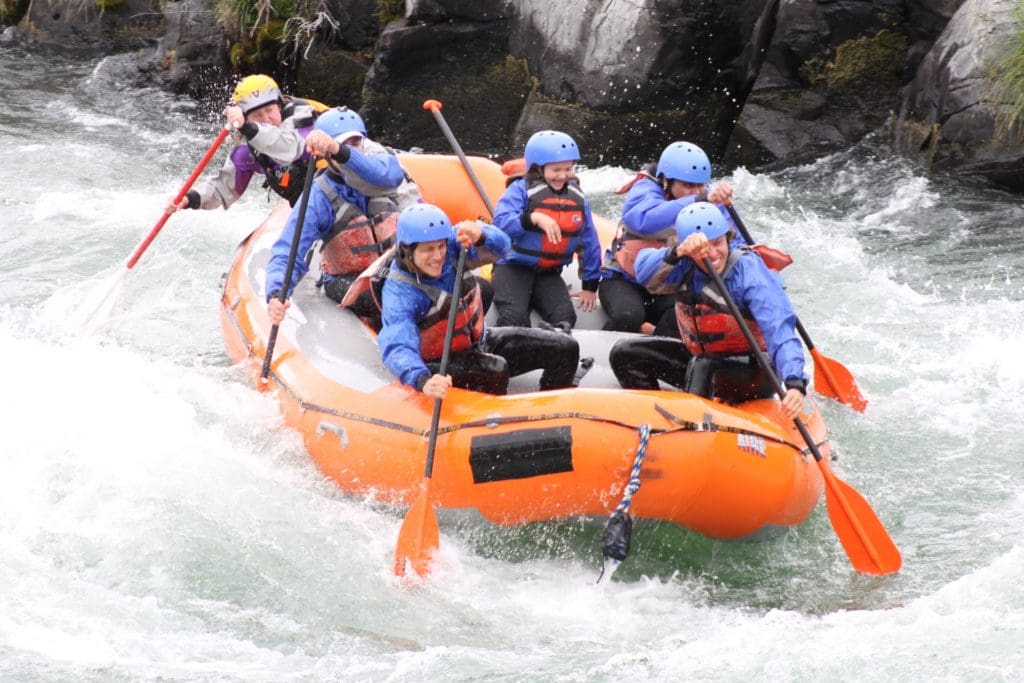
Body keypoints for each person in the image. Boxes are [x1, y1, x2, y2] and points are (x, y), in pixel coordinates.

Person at [608, 202, 806, 419]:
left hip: (753, 371)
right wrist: (679, 251)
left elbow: (779, 327)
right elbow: (644, 271)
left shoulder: (748, 273)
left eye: (718, 243)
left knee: (703, 365)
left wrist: (794, 382)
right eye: (704, 247)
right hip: (700, 360)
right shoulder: (685, 263)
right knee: (626, 352)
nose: (712, 254)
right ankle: (652, 420)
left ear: (728, 238)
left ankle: (694, 429)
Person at [379, 204, 581, 398]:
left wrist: (482, 235)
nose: (438, 255)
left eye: (440, 246)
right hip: (438, 364)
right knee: (496, 370)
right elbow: (397, 347)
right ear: (407, 251)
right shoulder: (399, 293)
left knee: (565, 347)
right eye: (428, 249)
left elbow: (503, 248)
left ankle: (551, 410)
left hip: (480, 342)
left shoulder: (454, 244)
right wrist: (422, 380)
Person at [265, 106, 410, 320]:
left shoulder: (383, 168)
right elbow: (289, 249)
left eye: (355, 143)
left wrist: (339, 150)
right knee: (387, 293)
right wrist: (277, 292)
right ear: (326, 153)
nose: (352, 149)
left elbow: (386, 174)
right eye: (343, 145)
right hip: (347, 279)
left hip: (393, 266)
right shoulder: (318, 196)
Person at [599, 140, 736, 336]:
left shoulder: (706, 198)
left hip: (669, 286)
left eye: (700, 186)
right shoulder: (645, 189)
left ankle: (655, 349)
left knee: (682, 318)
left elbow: (731, 236)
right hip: (625, 281)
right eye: (688, 185)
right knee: (628, 316)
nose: (696, 191)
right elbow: (643, 220)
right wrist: (699, 200)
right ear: (666, 181)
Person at [490, 130, 602, 332]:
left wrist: (589, 286)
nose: (563, 175)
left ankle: (552, 355)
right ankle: (507, 355)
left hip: (548, 272)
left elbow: (589, 242)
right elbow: (500, 223)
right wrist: (532, 218)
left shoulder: (577, 198)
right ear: (538, 168)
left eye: (568, 169)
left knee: (565, 316)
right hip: (512, 267)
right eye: (556, 169)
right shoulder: (520, 189)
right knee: (513, 316)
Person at [166, 74, 319, 212]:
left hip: (337, 183)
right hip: (310, 202)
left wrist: (246, 126)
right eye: (257, 115)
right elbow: (223, 188)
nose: (266, 119)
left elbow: (289, 148)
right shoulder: (248, 150)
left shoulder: (303, 117)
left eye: (269, 110)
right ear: (247, 117)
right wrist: (188, 199)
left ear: (279, 106)